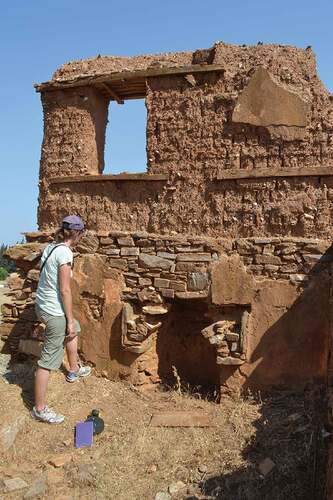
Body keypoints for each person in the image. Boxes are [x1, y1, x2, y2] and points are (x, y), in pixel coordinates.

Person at [31, 215, 91, 424]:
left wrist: (71, 322)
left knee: (75, 327)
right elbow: (65, 290)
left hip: (43, 304)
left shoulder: (51, 247)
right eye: (82, 233)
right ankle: (39, 409)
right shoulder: (65, 252)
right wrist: (68, 316)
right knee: (47, 362)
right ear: (78, 233)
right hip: (54, 310)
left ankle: (73, 369)